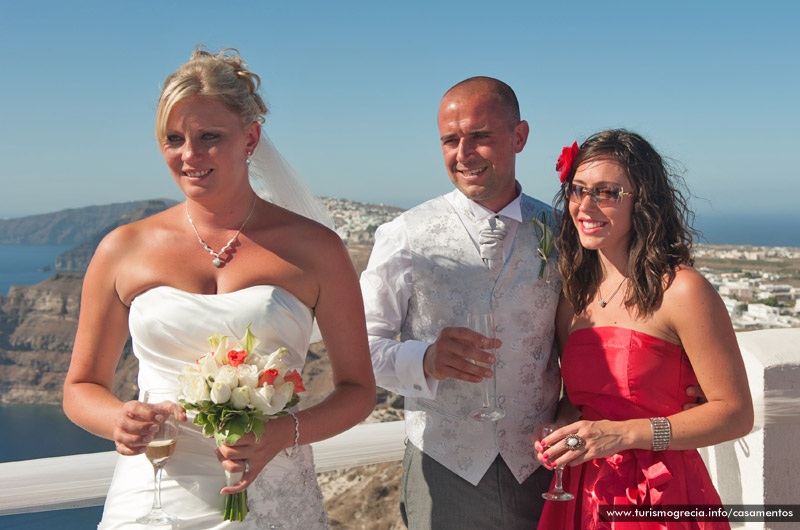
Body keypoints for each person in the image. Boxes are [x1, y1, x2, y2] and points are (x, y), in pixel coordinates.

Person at [62, 48, 375, 529]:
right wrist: (119, 419)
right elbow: (80, 388)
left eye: (210, 137)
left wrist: (281, 433)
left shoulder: (317, 250)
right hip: (153, 494)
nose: (189, 155)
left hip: (272, 491)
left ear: (250, 139)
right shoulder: (122, 249)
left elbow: (357, 391)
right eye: (173, 139)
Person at [360, 76, 562, 529]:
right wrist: (425, 359)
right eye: (450, 140)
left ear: (520, 136)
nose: (463, 153)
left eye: (480, 137)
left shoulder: (563, 231)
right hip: (445, 470)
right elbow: (357, 348)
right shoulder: (403, 235)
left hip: (544, 465)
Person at [534, 129, 753, 529]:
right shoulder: (572, 299)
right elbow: (578, 401)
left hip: (664, 494)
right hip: (585, 496)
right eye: (578, 189)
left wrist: (624, 435)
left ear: (643, 203)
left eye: (607, 192)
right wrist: (562, 426)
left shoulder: (682, 290)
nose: (585, 205)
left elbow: (736, 415)